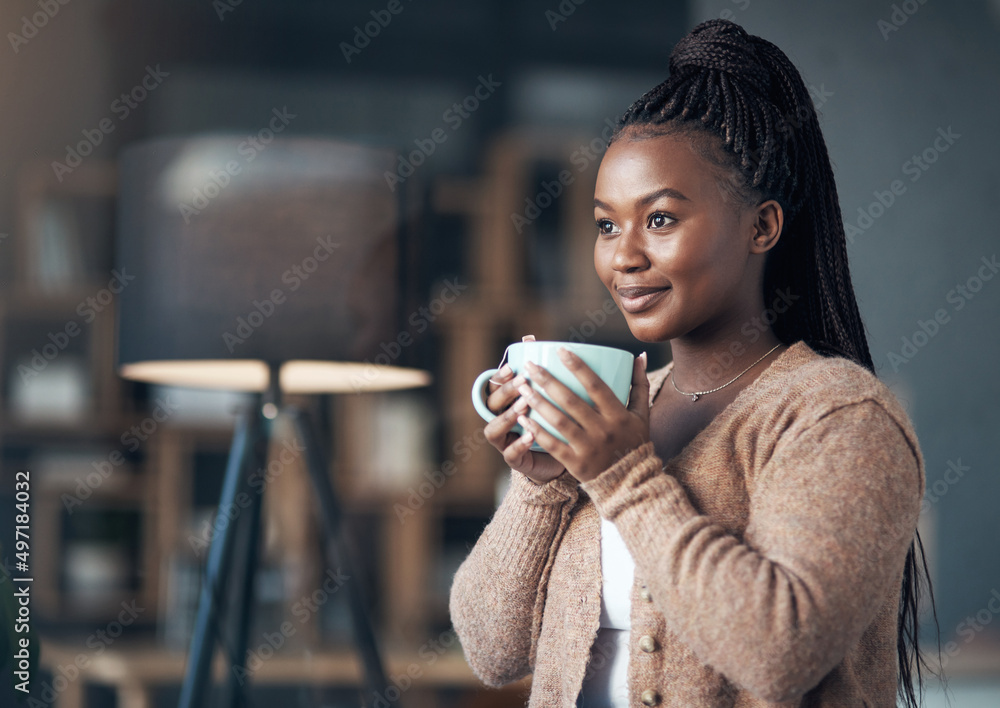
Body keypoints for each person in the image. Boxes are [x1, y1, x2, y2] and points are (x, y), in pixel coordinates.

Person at [449, 18, 940, 708]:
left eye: (660, 219)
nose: (623, 257)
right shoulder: (616, 415)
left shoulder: (837, 416)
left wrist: (621, 476)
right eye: (605, 224)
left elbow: (781, 652)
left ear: (761, 226)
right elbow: (491, 652)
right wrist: (544, 487)